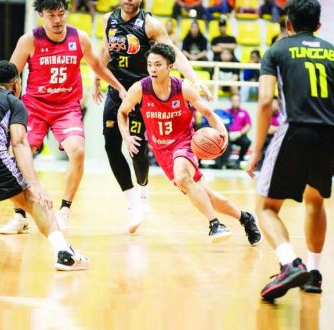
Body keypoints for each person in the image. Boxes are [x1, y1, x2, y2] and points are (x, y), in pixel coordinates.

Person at [0, 60, 89, 270]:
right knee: (32, 201)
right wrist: (35, 185)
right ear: (16, 84)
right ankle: (64, 252)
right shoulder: (13, 101)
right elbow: (20, 142)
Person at [118, 43, 262, 245]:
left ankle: (215, 224)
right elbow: (122, 113)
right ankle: (245, 218)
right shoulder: (140, 89)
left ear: (170, 67)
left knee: (182, 176)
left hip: (184, 144)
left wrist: (222, 132)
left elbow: (208, 113)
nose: (152, 69)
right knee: (206, 195)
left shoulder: (183, 88)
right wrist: (126, 136)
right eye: (150, 64)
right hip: (162, 152)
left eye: (158, 64)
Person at [4, 0, 127, 234]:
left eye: (62, 13)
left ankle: (64, 211)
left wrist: (118, 86)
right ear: (41, 15)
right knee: (17, 155)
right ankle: (19, 215)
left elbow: (97, 65)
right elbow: (11, 74)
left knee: (78, 151)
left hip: (67, 107)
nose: (58, 20)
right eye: (52, 15)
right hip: (35, 106)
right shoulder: (29, 40)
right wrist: (6, 105)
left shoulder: (79, 37)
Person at [93, 0, 212, 234]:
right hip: (117, 90)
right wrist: (97, 79)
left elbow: (173, 54)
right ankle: (133, 202)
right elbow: (106, 51)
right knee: (111, 145)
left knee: (136, 149)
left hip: (141, 91)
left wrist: (195, 79)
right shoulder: (109, 20)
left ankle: (143, 192)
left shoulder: (150, 24)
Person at [245, 0, 334, 300]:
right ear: (319, 26)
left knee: (266, 207)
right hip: (330, 134)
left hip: (295, 130)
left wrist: (256, 149)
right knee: (315, 201)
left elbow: (264, 102)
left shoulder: (277, 51)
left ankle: (289, 262)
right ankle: (314, 271)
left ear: (288, 24)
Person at [212, 93, 252, 169]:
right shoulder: (226, 112)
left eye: (237, 100)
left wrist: (240, 133)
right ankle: (222, 163)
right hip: (228, 135)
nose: (235, 102)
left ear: (240, 101)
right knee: (224, 144)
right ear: (231, 101)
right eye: (233, 100)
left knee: (247, 142)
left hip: (239, 135)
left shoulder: (244, 112)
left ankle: (239, 160)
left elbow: (248, 125)